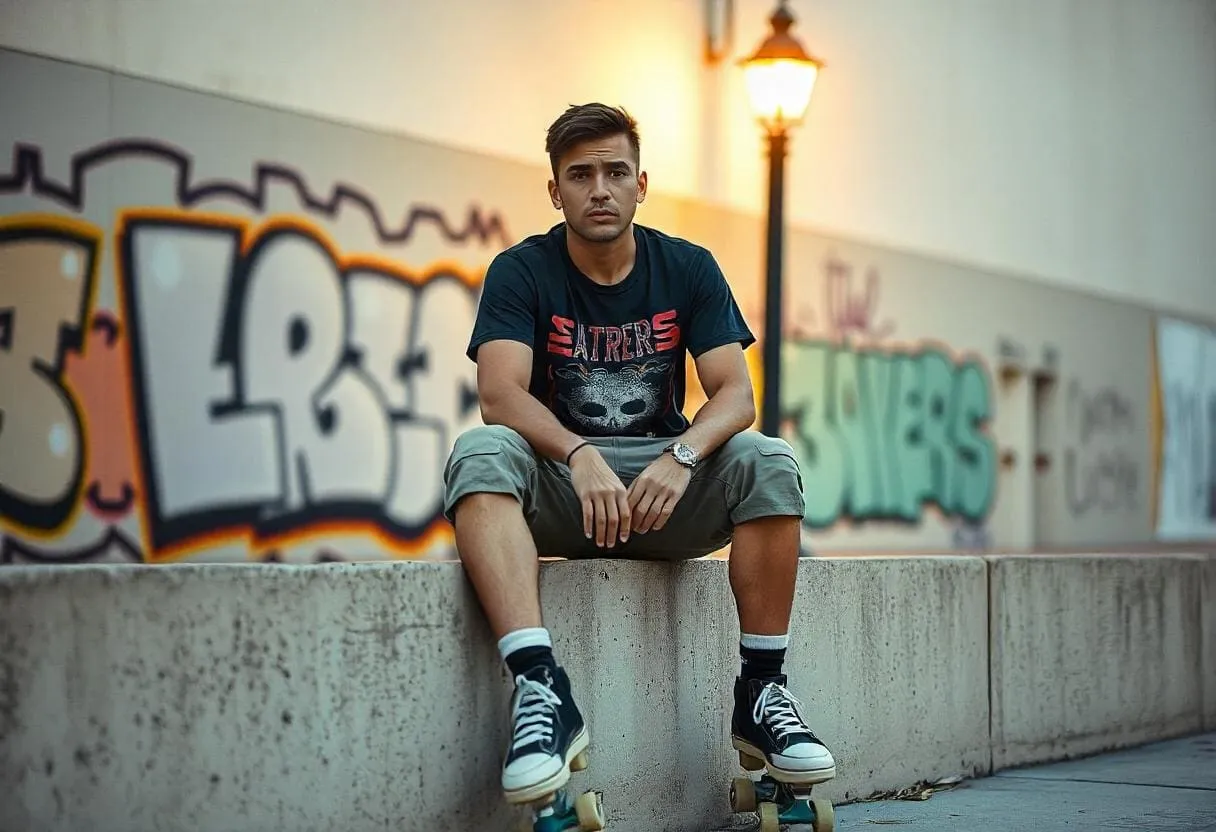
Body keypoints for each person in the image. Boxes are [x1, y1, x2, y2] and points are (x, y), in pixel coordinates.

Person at [442, 102, 835, 807]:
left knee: (766, 459)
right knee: (481, 452)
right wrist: (579, 452)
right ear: (555, 190)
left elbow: (734, 396)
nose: (600, 188)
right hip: (567, 493)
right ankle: (540, 690)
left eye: (615, 172)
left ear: (641, 183)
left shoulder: (687, 268)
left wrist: (682, 455)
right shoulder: (520, 271)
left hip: (665, 495)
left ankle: (764, 691)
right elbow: (499, 395)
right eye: (581, 174)